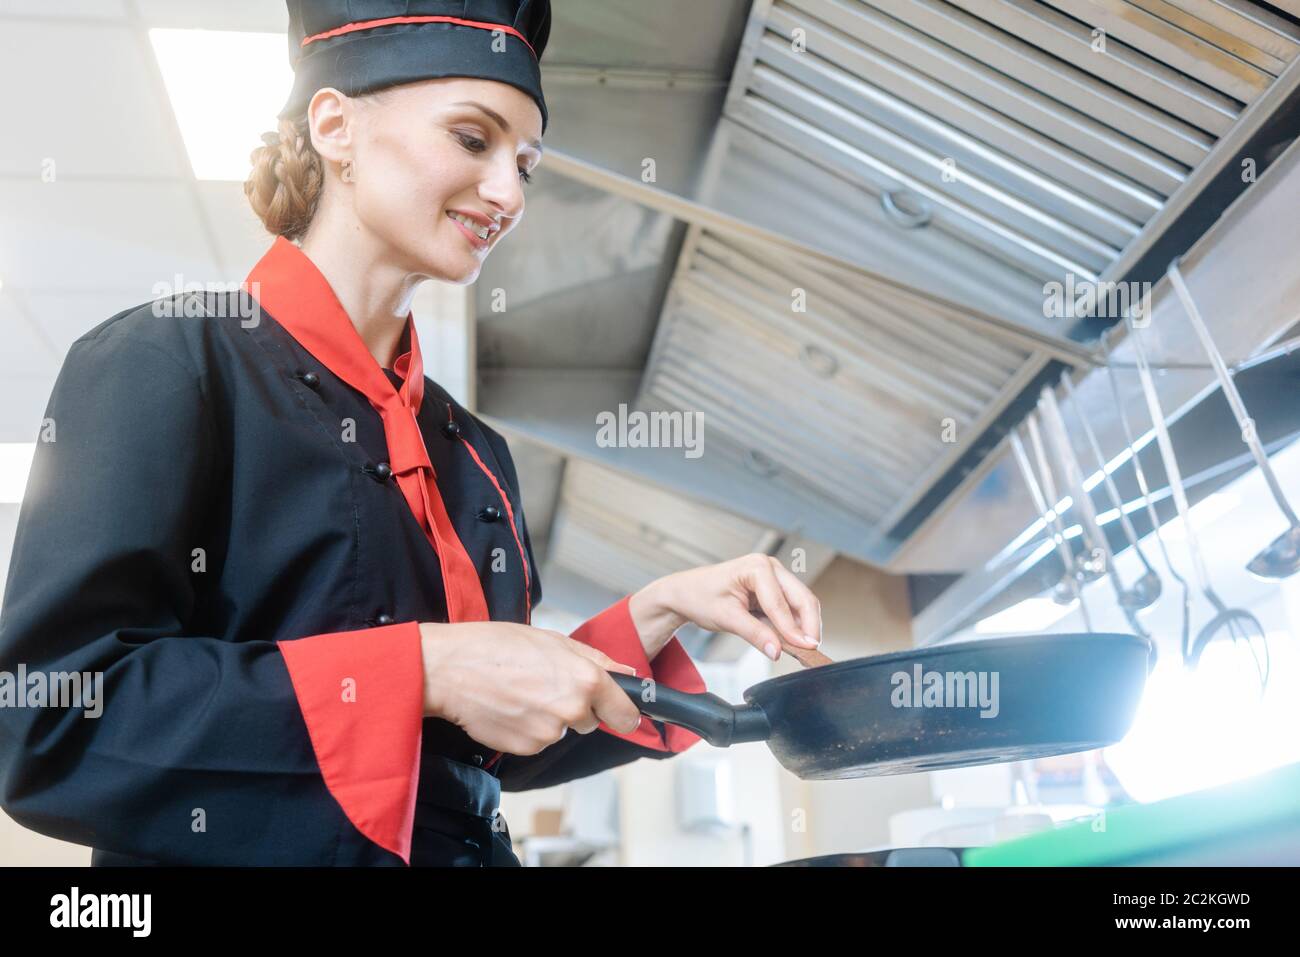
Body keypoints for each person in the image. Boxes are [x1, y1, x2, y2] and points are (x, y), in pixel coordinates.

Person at [0, 0, 822, 866]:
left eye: (526, 164)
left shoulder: (474, 453)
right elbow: (50, 717)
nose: (508, 193)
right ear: (334, 124)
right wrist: (425, 669)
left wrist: (653, 614)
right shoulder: (167, 363)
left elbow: (479, 748)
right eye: (474, 140)